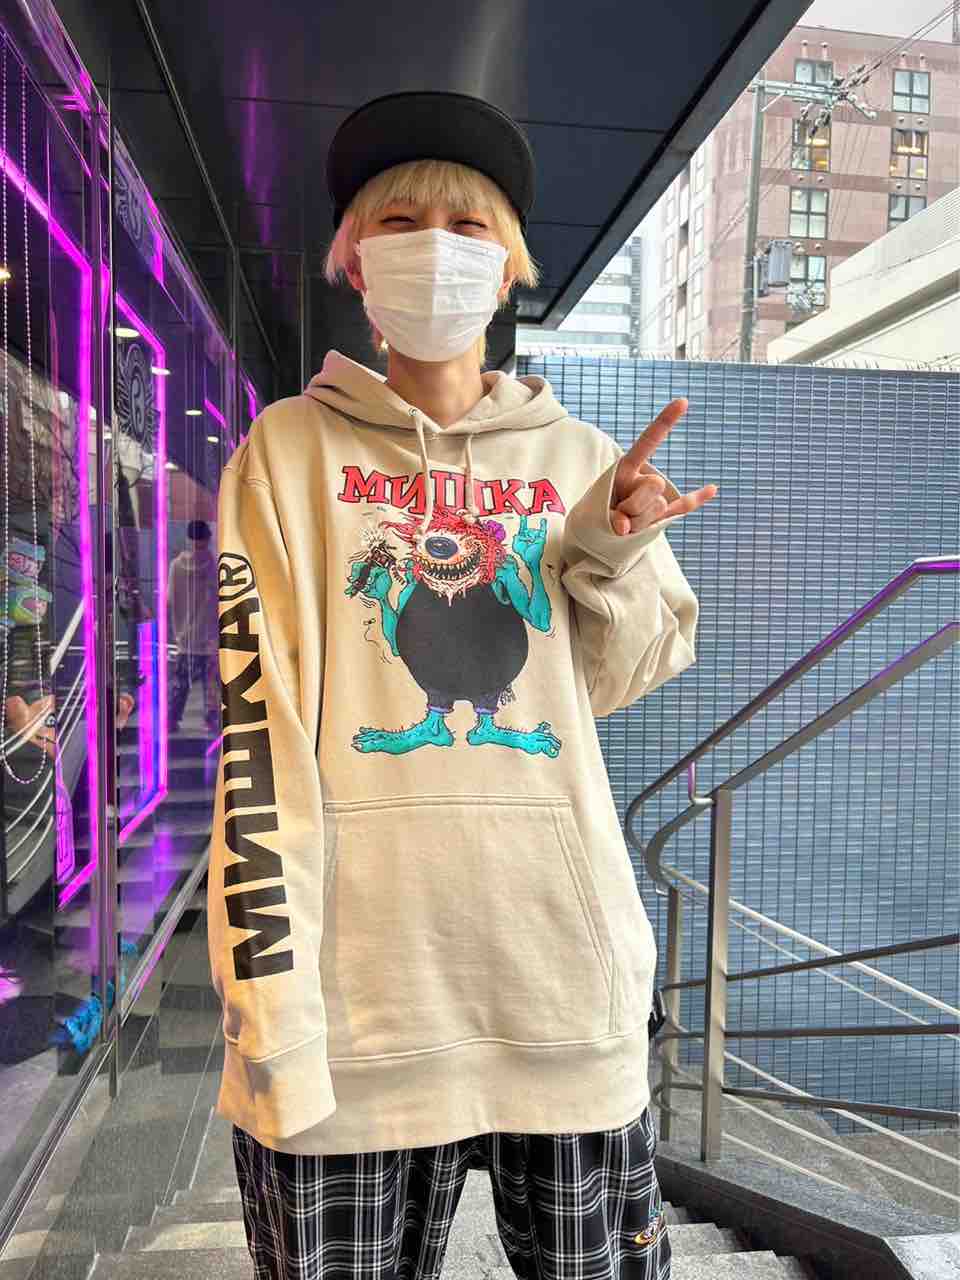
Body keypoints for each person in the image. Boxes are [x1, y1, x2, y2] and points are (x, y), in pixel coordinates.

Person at [209, 90, 717, 1280]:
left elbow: (613, 682)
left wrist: (606, 553)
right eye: (399, 221)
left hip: (560, 984)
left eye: (467, 224)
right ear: (353, 260)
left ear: (508, 269)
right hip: (358, 1010)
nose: (434, 246)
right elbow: (256, 731)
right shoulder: (287, 454)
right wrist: (272, 1010)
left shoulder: (581, 459)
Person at [168, 518, 220, 734]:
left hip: (185, 637)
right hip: (209, 637)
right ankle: (212, 721)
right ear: (208, 539)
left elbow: (170, 600)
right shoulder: (214, 566)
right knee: (212, 686)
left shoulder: (176, 566)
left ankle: (171, 720)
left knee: (180, 684)